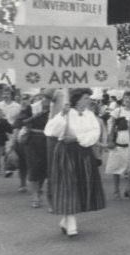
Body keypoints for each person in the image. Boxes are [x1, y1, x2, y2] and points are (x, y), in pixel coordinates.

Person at [45, 88, 106, 237]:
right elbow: (50, 131)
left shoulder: (90, 115)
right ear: (77, 99)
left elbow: (94, 134)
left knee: (79, 186)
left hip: (83, 153)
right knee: (68, 186)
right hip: (66, 153)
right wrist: (62, 115)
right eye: (85, 98)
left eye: (89, 98)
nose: (88, 101)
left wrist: (77, 138)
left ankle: (66, 220)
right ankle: (71, 223)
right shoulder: (65, 113)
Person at [17, 93, 52, 208]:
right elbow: (19, 122)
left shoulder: (57, 109)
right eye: (47, 98)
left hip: (49, 141)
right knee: (34, 167)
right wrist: (37, 115)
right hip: (33, 141)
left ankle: (39, 189)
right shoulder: (32, 107)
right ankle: (35, 196)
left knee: (45, 168)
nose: (48, 101)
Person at [104, 92, 130, 200]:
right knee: (116, 166)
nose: (128, 100)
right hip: (120, 140)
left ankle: (129, 188)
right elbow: (111, 126)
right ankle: (116, 190)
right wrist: (110, 140)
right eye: (126, 98)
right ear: (123, 99)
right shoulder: (117, 111)